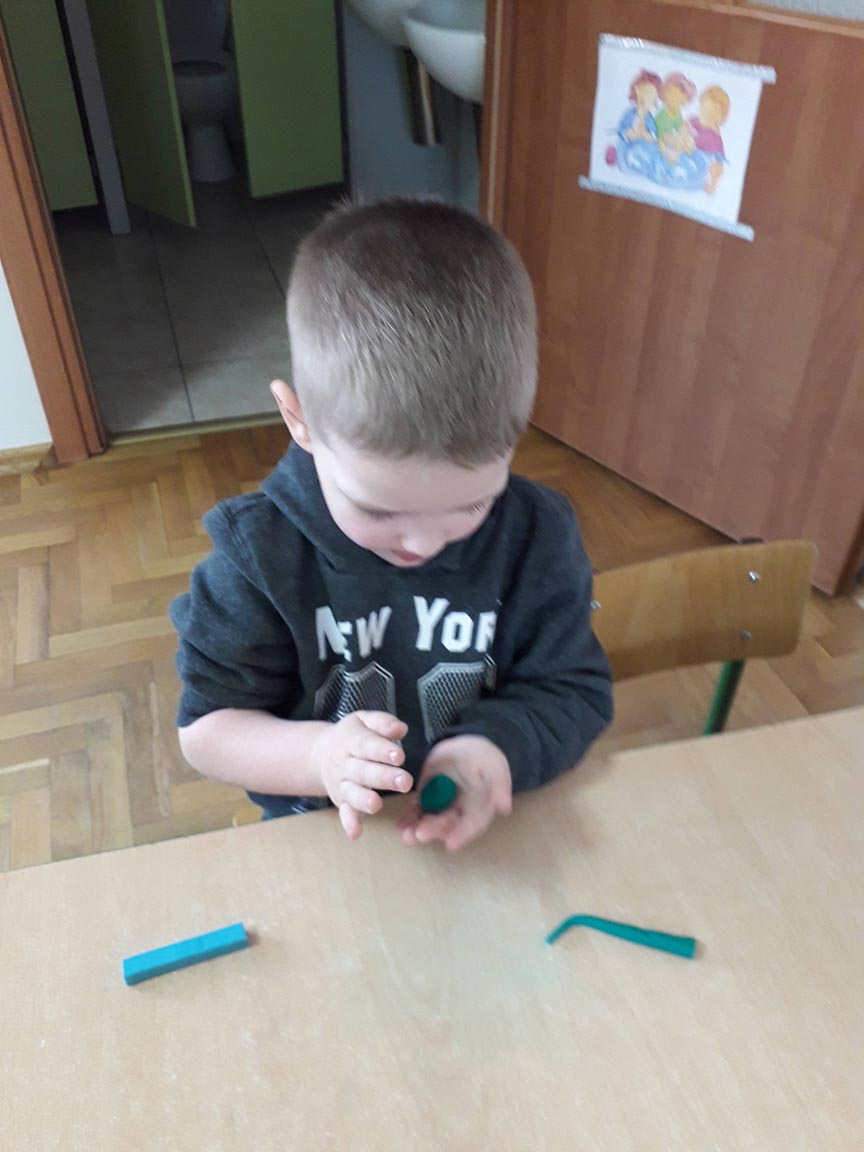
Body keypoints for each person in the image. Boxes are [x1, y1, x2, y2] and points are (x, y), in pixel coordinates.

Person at [170, 198, 613, 852]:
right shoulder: (257, 557)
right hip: (326, 838)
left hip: (483, 832)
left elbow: (572, 689)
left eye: (471, 504)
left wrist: (492, 748)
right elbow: (208, 730)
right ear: (299, 421)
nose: (425, 544)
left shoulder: (536, 536)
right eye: (378, 509)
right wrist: (318, 757)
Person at [688, 85, 730, 195]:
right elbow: (686, 125)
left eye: (709, 114)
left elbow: (719, 165)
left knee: (713, 166)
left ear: (720, 118)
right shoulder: (696, 121)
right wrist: (685, 131)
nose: (703, 117)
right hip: (685, 154)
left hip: (698, 166)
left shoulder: (714, 140)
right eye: (702, 110)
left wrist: (712, 183)